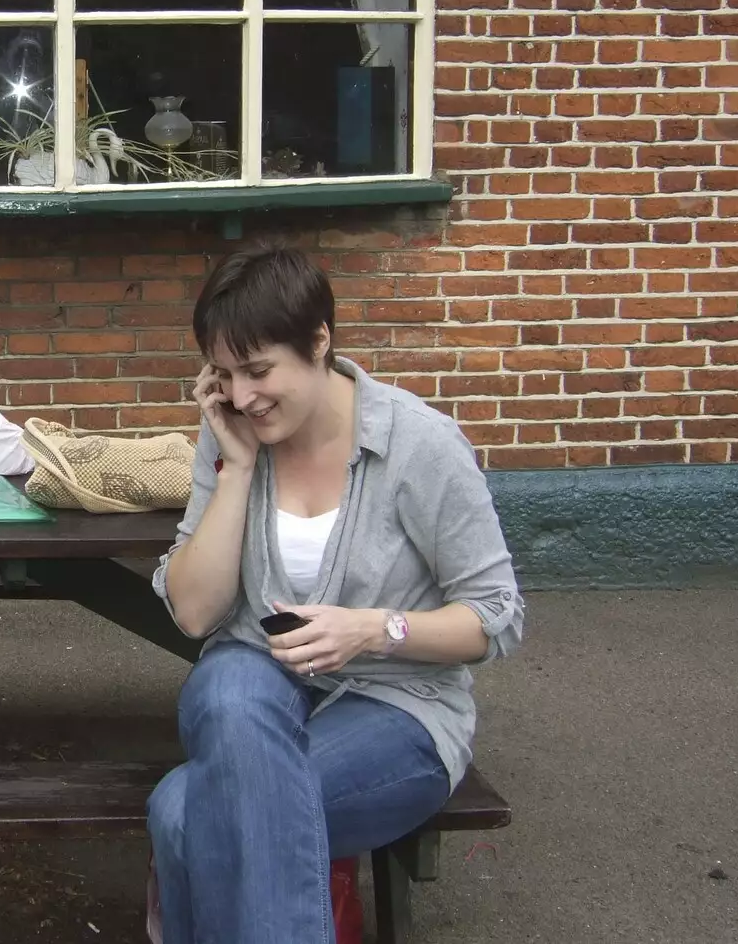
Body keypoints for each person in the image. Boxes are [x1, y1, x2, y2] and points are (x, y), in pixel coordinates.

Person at [147, 245, 525, 944]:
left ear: (319, 341)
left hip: (399, 706)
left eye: (258, 371)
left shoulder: (420, 446)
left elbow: (494, 617)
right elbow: (197, 614)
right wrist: (235, 470)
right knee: (228, 684)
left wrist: (376, 630)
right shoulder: (233, 435)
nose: (241, 397)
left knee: (182, 811)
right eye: (224, 376)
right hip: (256, 685)